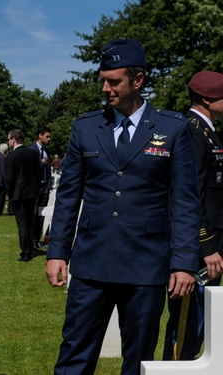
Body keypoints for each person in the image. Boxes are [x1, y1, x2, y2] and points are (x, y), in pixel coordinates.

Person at [45, 39, 200, 375]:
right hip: (90, 266)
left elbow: (187, 200)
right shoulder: (86, 128)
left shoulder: (173, 129)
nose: (105, 88)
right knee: (74, 356)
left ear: (138, 80)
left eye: (114, 81)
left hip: (146, 266)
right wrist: (57, 252)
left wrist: (185, 262)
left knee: (139, 358)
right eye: (102, 79)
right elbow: (69, 195)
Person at [163, 71, 223, 361]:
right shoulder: (192, 131)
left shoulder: (207, 131)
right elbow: (190, 195)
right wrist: (206, 245)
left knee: (201, 328)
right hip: (199, 252)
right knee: (187, 327)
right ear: (207, 99)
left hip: (211, 248)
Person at [6, 129, 40, 262]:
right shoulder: (33, 152)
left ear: (14, 140)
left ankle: (26, 252)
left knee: (22, 223)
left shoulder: (12, 156)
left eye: (9, 139)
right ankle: (30, 248)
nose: (8, 141)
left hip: (19, 193)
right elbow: (38, 172)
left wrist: (11, 195)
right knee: (30, 221)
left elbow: (9, 179)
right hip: (32, 192)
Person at [31, 125, 52, 249]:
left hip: (45, 187)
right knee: (34, 214)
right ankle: (32, 239)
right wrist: (40, 163)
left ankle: (37, 239)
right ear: (40, 135)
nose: (49, 139)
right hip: (35, 187)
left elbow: (48, 169)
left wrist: (49, 183)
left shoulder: (46, 151)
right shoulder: (32, 150)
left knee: (41, 214)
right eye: (47, 136)